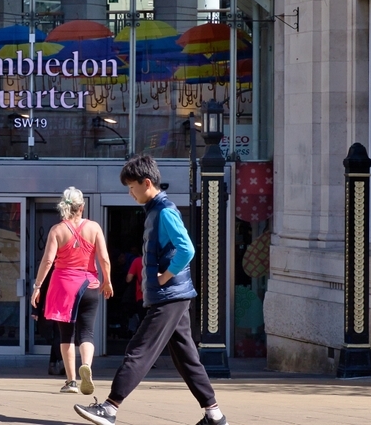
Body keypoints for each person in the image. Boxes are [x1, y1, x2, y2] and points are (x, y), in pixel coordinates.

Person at [75, 155, 228, 425]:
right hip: (173, 296)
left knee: (139, 349)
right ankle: (214, 414)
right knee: (186, 358)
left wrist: (166, 275)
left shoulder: (165, 211)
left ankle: (110, 408)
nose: (130, 193)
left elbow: (188, 249)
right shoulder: (156, 211)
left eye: (132, 188)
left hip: (170, 297)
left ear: (147, 183)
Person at [31, 187, 113, 395]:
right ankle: (86, 366)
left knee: (66, 335)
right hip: (90, 284)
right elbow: (103, 257)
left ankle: (71, 381)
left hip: (64, 286)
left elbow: (48, 260)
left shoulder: (57, 230)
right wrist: (107, 280)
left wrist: (38, 286)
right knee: (87, 332)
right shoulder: (94, 228)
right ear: (82, 207)